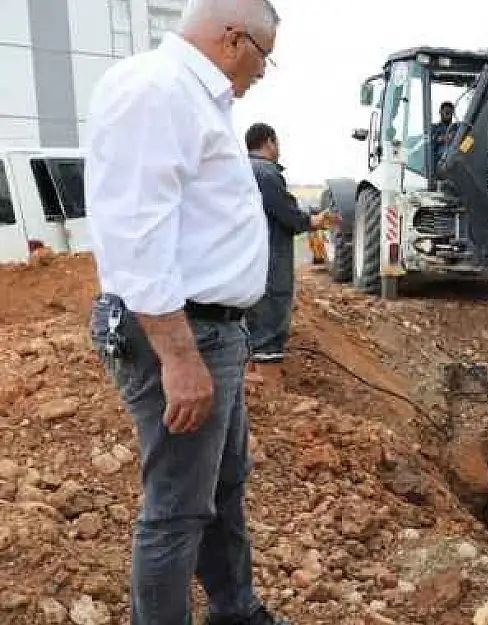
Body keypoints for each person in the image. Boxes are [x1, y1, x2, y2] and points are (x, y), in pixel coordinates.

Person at [83, 1, 288, 624]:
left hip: (214, 331)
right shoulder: (157, 91)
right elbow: (135, 232)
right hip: (182, 332)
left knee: (223, 488)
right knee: (176, 510)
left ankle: (235, 610)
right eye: (265, 56)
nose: (262, 72)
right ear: (234, 39)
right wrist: (178, 356)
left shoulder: (195, 100)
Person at [243, 122, 333, 386]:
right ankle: (273, 398)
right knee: (270, 325)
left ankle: (251, 388)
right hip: (270, 262)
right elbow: (288, 215)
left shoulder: (240, 169)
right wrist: (313, 221)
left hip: (248, 263)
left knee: (249, 325)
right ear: (269, 142)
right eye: (277, 143)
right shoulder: (266, 173)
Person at [430, 101, 456, 167]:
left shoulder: (457, 128)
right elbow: (430, 142)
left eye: (451, 113)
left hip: (453, 161)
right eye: (447, 112)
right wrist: (445, 138)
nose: (449, 115)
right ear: (440, 112)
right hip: (437, 162)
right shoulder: (433, 128)